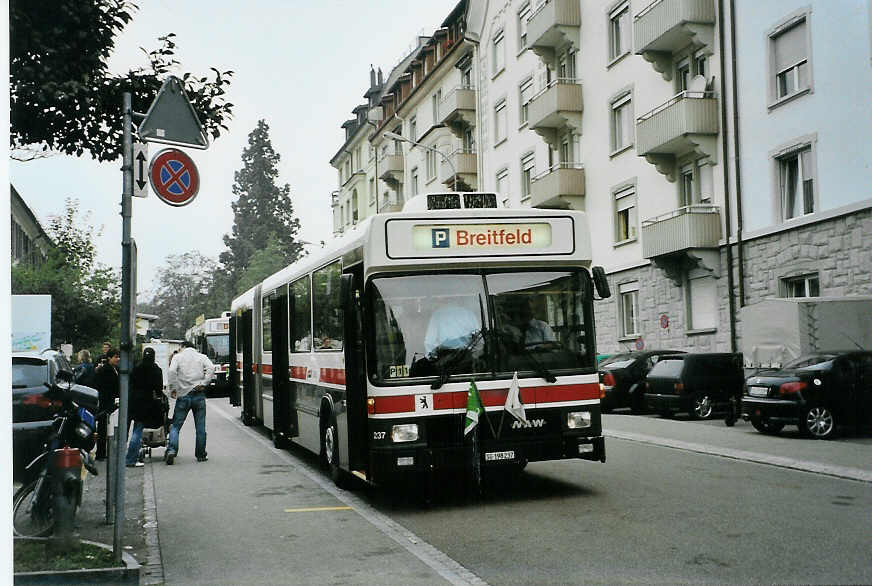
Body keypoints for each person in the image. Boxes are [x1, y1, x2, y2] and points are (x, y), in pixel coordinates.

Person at [165, 341, 215, 464]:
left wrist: (174, 388)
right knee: (200, 427)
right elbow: (211, 368)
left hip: (183, 395)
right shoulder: (201, 356)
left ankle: (172, 450)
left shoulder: (178, 357)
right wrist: (203, 383)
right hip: (198, 395)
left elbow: (171, 372)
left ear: (183, 347)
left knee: (176, 426)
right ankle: (201, 454)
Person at [125, 347, 165, 468]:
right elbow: (158, 389)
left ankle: (126, 455)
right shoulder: (156, 369)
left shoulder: (136, 368)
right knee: (138, 430)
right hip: (145, 403)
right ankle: (131, 459)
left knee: (131, 430)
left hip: (132, 401)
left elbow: (130, 382)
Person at [93, 348, 120, 460]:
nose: (118, 359)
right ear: (109, 358)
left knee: (109, 427)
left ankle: (107, 451)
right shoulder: (105, 370)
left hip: (113, 401)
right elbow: (101, 386)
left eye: (118, 356)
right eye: (115, 357)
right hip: (106, 401)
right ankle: (100, 452)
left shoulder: (116, 369)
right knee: (103, 428)